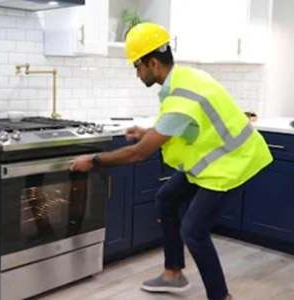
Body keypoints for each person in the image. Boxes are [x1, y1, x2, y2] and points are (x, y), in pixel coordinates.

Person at [70, 22, 272, 300]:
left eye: (137, 67)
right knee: (167, 197)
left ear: (152, 63)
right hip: (212, 161)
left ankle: (220, 296)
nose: (136, 74)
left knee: (194, 230)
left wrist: (93, 160)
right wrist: (147, 132)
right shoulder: (185, 78)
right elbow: (185, 127)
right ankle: (173, 273)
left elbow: (138, 153)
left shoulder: (181, 95)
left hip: (231, 163)